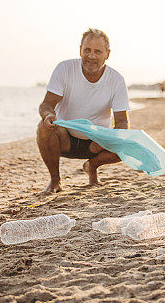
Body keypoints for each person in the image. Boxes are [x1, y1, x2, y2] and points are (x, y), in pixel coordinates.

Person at [36, 29, 130, 193]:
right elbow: (46, 104)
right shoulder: (65, 68)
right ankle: (55, 181)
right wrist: (48, 115)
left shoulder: (116, 80)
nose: (91, 56)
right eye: (87, 50)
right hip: (64, 139)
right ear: (80, 49)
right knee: (43, 128)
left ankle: (91, 166)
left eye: (97, 51)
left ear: (107, 54)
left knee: (128, 144)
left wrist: (106, 140)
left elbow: (122, 122)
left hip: (97, 143)